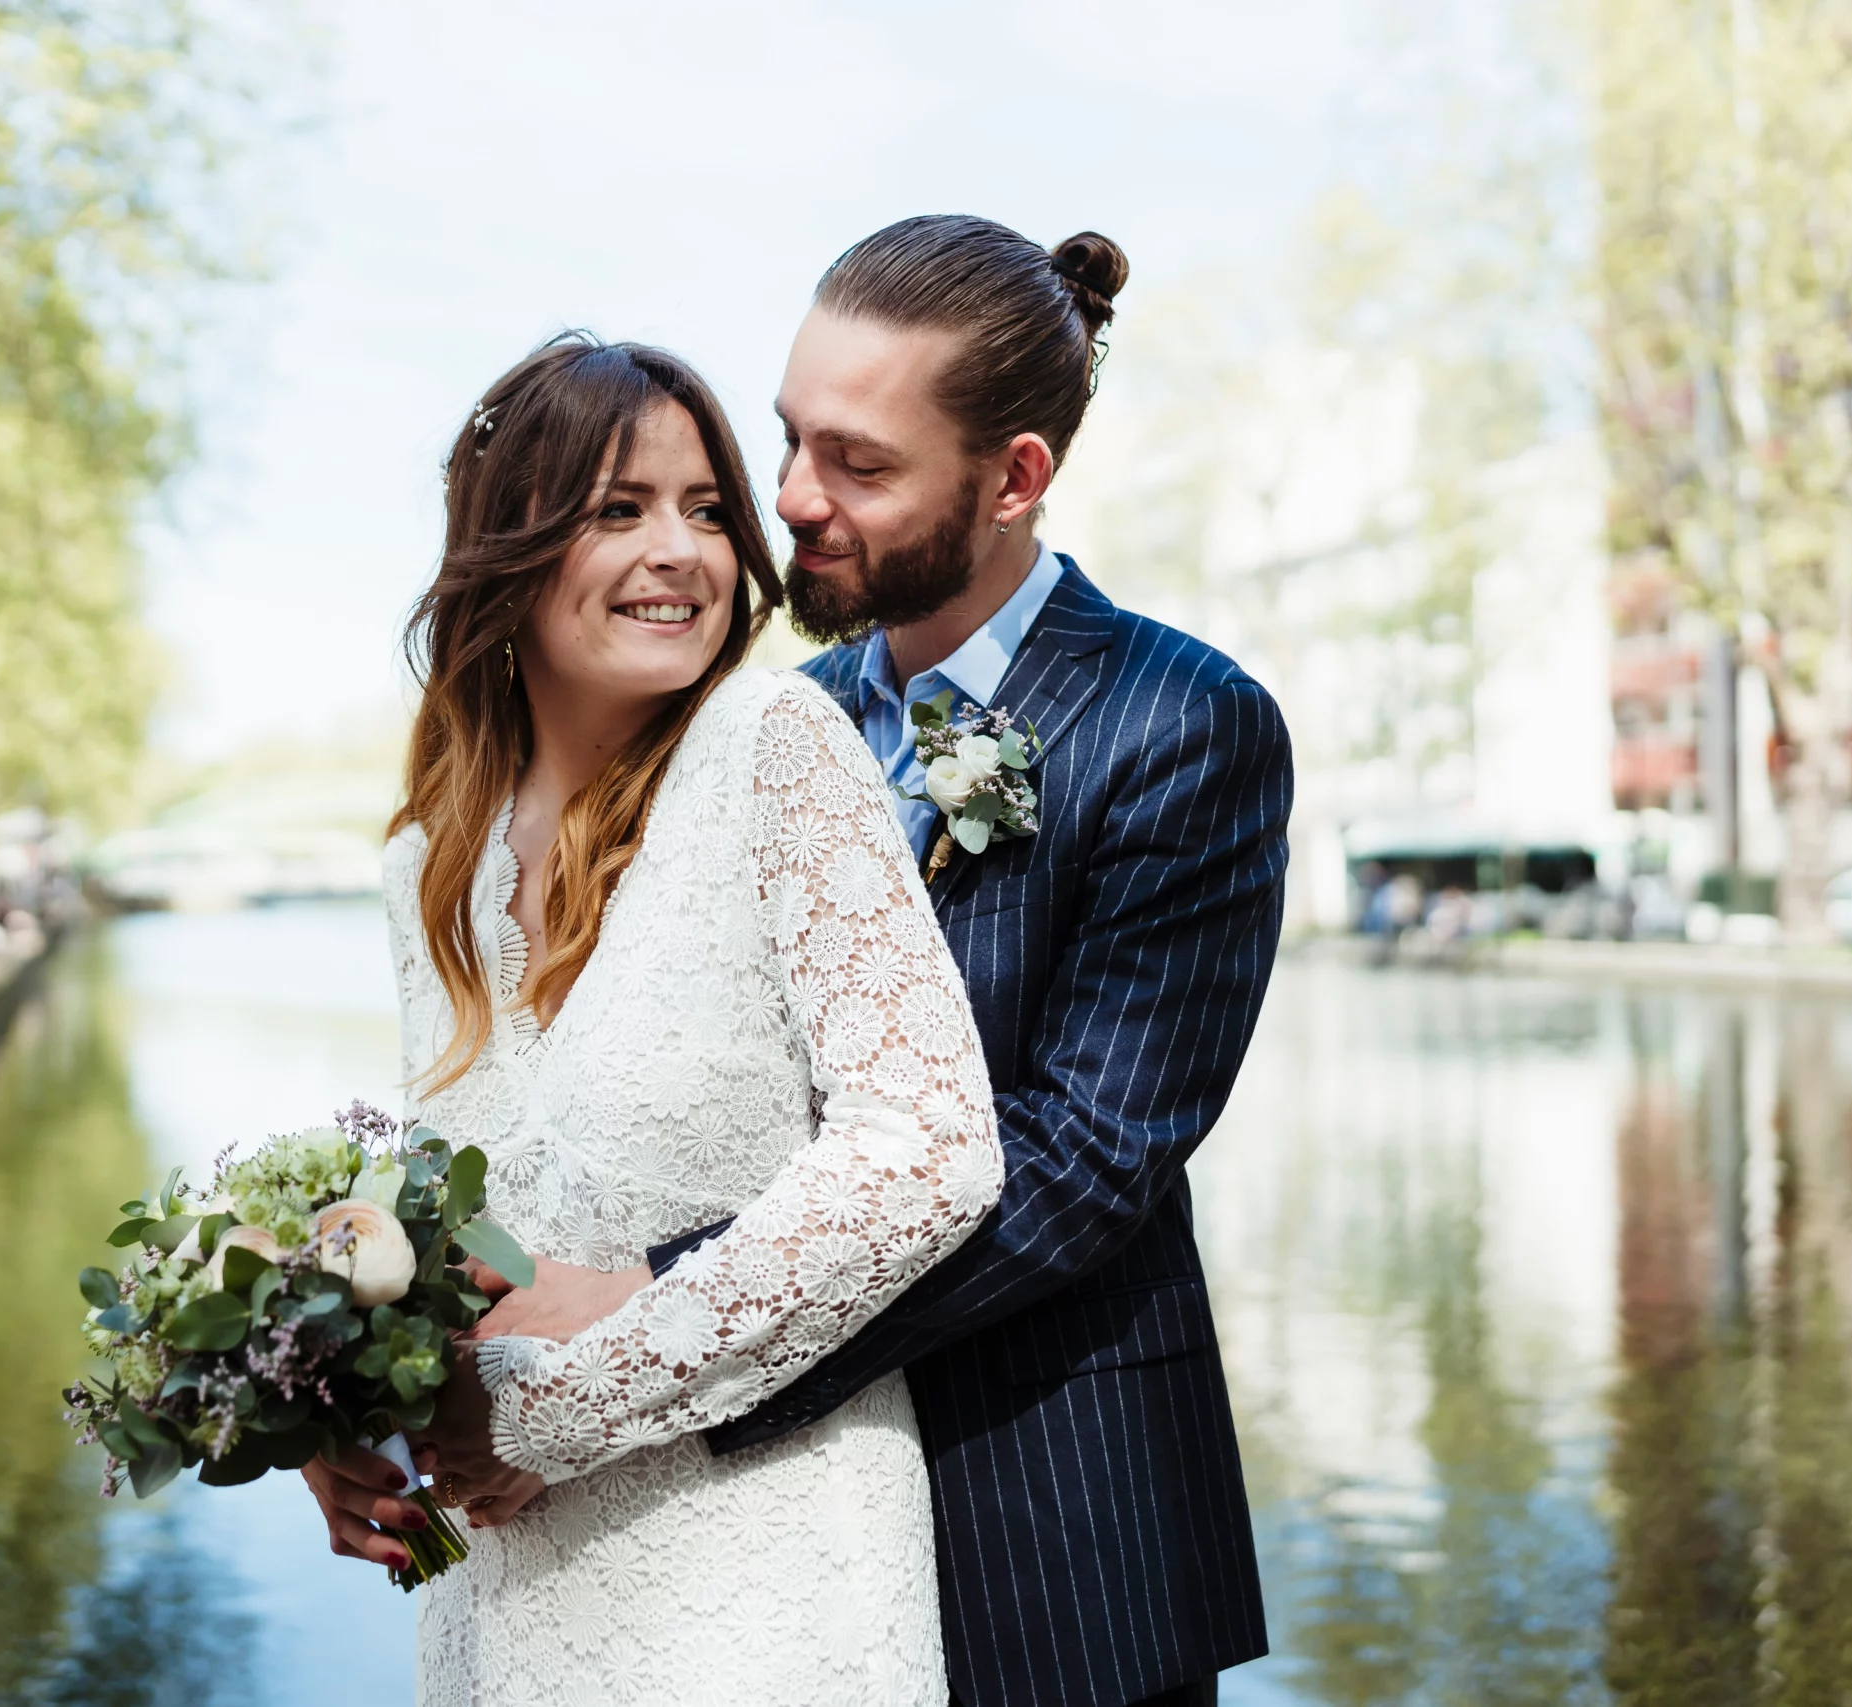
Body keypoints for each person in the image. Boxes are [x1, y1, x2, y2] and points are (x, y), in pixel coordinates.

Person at [315, 218, 1293, 1707]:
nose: (789, 504)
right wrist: (365, 1377)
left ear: (1014, 478)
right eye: (786, 442)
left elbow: (1088, 1153)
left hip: (1048, 1498)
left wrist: (636, 1311)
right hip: (693, 1518)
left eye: (859, 463)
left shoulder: (1182, 721)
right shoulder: (750, 721)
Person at [313, 334, 1002, 1705]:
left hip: (767, 1580)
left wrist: (562, 1406)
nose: (681, 551)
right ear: (507, 548)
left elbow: (932, 1149)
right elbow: (458, 1222)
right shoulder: (425, 866)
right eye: (619, 508)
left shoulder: (776, 750)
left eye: (705, 509)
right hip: (506, 1598)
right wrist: (344, 1402)